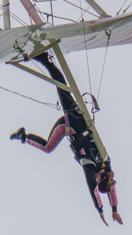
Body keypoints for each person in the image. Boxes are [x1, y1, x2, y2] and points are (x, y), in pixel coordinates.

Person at [10, 53, 123, 225]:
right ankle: (45, 60)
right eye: (100, 179)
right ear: (103, 178)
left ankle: (23, 136)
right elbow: (93, 186)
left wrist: (114, 210)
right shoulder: (95, 164)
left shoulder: (103, 166)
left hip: (70, 128)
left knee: (48, 148)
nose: (97, 178)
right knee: (61, 85)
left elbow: (110, 190)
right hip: (72, 120)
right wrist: (100, 210)